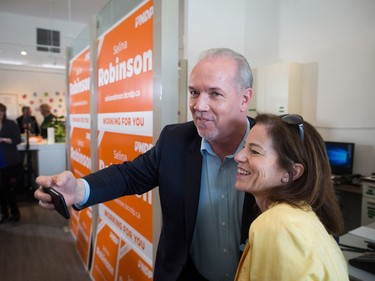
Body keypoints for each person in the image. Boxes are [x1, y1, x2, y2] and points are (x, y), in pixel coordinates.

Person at [34, 48, 259, 281]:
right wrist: (79, 189)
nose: (199, 106)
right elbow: (129, 175)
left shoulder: (277, 147)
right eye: (194, 92)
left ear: (244, 99)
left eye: (215, 94)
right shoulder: (176, 140)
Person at [234, 113, 349, 280]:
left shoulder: (277, 225)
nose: (238, 156)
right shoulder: (303, 215)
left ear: (292, 172)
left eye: (254, 151)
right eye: (244, 147)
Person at [0, 103, 22, 223]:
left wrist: (3, 139)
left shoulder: (10, 124)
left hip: (8, 160)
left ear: (4, 112)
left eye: (1, 112)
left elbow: (17, 140)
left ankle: (14, 212)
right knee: (1, 189)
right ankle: (4, 213)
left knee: (6, 189)